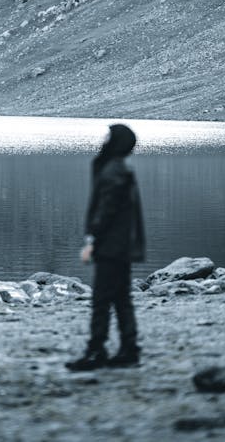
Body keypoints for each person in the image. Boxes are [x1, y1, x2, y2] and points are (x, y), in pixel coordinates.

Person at [66, 123, 146, 371]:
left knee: (101, 299)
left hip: (111, 246)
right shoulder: (121, 168)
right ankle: (129, 349)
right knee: (122, 298)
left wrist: (92, 240)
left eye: (109, 136)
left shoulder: (112, 171)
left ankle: (96, 351)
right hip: (122, 246)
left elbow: (105, 211)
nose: (104, 140)